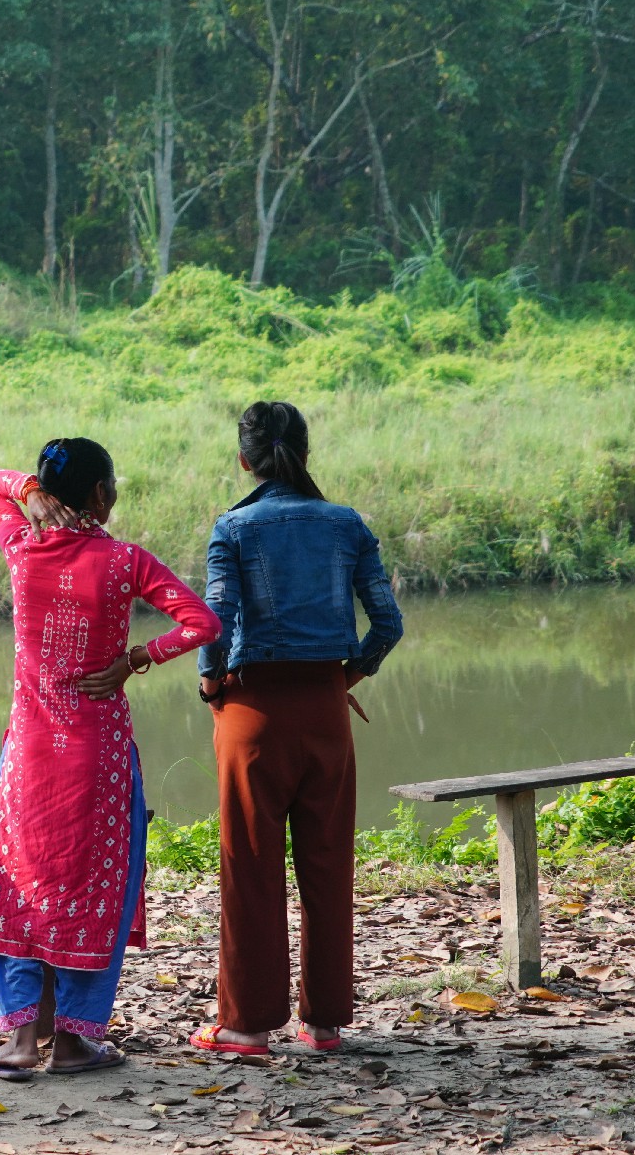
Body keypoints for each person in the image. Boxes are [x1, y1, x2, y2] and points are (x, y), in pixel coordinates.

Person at [0, 439, 220, 1080]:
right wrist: (137, 660)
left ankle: (20, 1041)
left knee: (20, 882)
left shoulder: (21, 549)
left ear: (53, 495)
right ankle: (77, 1042)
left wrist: (27, 490)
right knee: (95, 886)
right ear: (103, 496)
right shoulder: (125, 560)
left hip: (29, 754)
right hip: (100, 756)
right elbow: (202, 624)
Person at [190, 401, 402, 1057]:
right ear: (305, 454)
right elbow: (388, 623)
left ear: (244, 458)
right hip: (327, 711)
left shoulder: (233, 527)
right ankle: (326, 1023)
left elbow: (216, 618)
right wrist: (347, 676)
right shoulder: (347, 525)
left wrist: (209, 679)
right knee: (328, 864)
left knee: (250, 868)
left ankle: (247, 1026)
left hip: (252, 714)